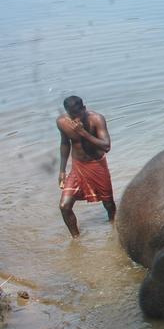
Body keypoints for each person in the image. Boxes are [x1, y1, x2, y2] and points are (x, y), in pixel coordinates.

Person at [57, 95, 115, 237]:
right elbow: (65, 144)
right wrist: (62, 170)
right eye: (72, 115)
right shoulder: (62, 122)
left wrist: (83, 133)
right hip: (78, 167)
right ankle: (76, 239)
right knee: (64, 206)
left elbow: (106, 146)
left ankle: (114, 231)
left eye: (79, 113)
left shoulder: (96, 119)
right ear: (67, 112)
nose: (76, 118)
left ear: (84, 108)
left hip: (96, 165)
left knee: (108, 203)